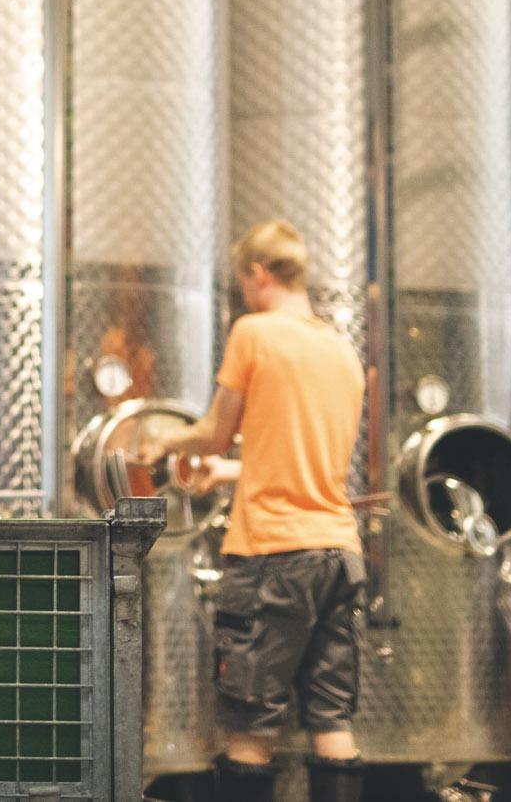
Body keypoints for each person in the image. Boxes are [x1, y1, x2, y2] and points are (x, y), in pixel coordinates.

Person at [139, 220, 368, 802]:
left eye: (243, 280)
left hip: (273, 554)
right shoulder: (340, 349)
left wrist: (166, 442)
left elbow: (215, 434)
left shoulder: (255, 332)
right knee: (331, 717)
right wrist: (231, 473)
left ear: (259, 274)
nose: (244, 292)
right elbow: (306, 459)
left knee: (250, 724)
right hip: (338, 551)